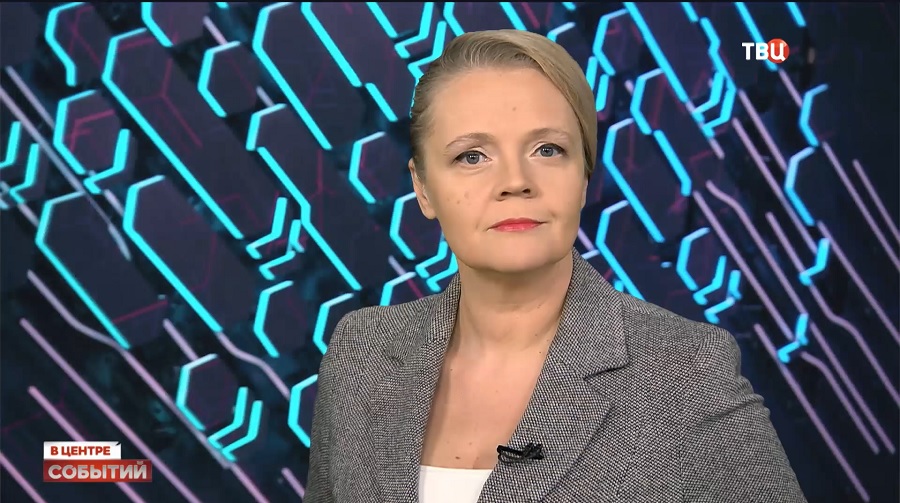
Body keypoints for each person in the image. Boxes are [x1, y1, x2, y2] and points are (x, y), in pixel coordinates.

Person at [305, 29, 806, 503]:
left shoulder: (685, 371)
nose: (515, 181)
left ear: (583, 177)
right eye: (472, 156)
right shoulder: (361, 351)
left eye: (548, 150)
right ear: (423, 188)